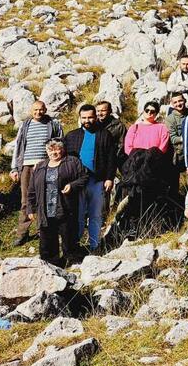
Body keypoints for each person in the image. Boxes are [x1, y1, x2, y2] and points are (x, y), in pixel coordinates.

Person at [63, 104, 117, 253]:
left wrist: (109, 178)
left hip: (98, 181)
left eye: (90, 117)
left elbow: (112, 158)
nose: (87, 120)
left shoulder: (105, 134)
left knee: (95, 215)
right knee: (78, 215)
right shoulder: (71, 136)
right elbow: (65, 160)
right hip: (78, 183)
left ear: (95, 117)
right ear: (80, 118)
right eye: (84, 118)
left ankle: (95, 245)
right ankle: (76, 246)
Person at [9, 100, 64, 245]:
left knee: (46, 198)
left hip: (46, 166)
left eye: (41, 109)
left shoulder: (53, 124)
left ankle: (44, 230)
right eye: (35, 110)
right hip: (26, 166)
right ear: (30, 110)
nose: (38, 112)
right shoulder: (25, 125)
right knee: (26, 200)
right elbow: (18, 146)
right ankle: (22, 233)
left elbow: (60, 144)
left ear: (45, 109)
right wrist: (14, 168)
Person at [27, 139, 88, 267]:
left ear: (63, 149)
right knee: (47, 239)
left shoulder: (72, 162)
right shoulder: (39, 166)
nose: (54, 152)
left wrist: (72, 185)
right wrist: (30, 209)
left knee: (69, 235)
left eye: (57, 149)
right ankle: (51, 263)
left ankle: (72, 261)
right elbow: (31, 190)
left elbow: (84, 177)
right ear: (46, 151)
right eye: (50, 149)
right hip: (45, 209)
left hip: (65, 207)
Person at [165, 93, 188, 193]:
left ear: (185, 100)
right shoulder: (170, 119)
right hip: (179, 154)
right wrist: (186, 138)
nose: (178, 104)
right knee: (174, 182)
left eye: (180, 101)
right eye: (175, 102)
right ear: (172, 104)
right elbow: (172, 138)